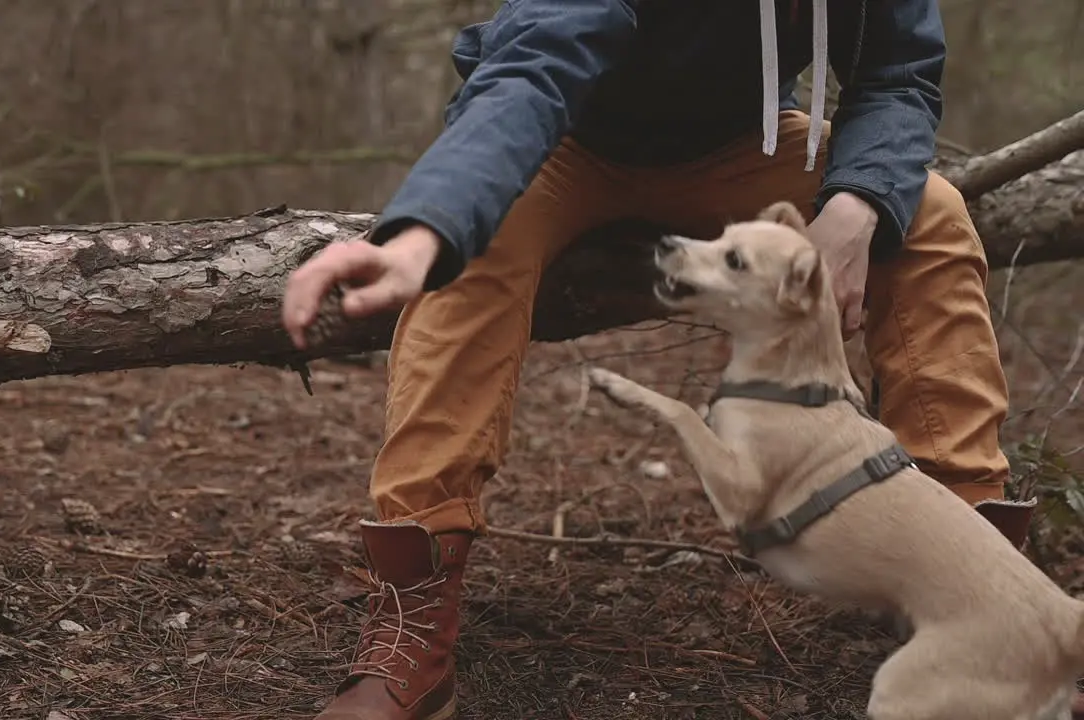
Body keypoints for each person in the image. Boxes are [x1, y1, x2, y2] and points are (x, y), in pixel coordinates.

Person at [282, 2, 1077, 718]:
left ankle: (993, 623)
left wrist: (858, 201)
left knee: (930, 217)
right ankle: (415, 620)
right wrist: (426, 231)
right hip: (565, 142)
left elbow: (899, 74)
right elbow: (533, 66)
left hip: (745, 146)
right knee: (471, 253)